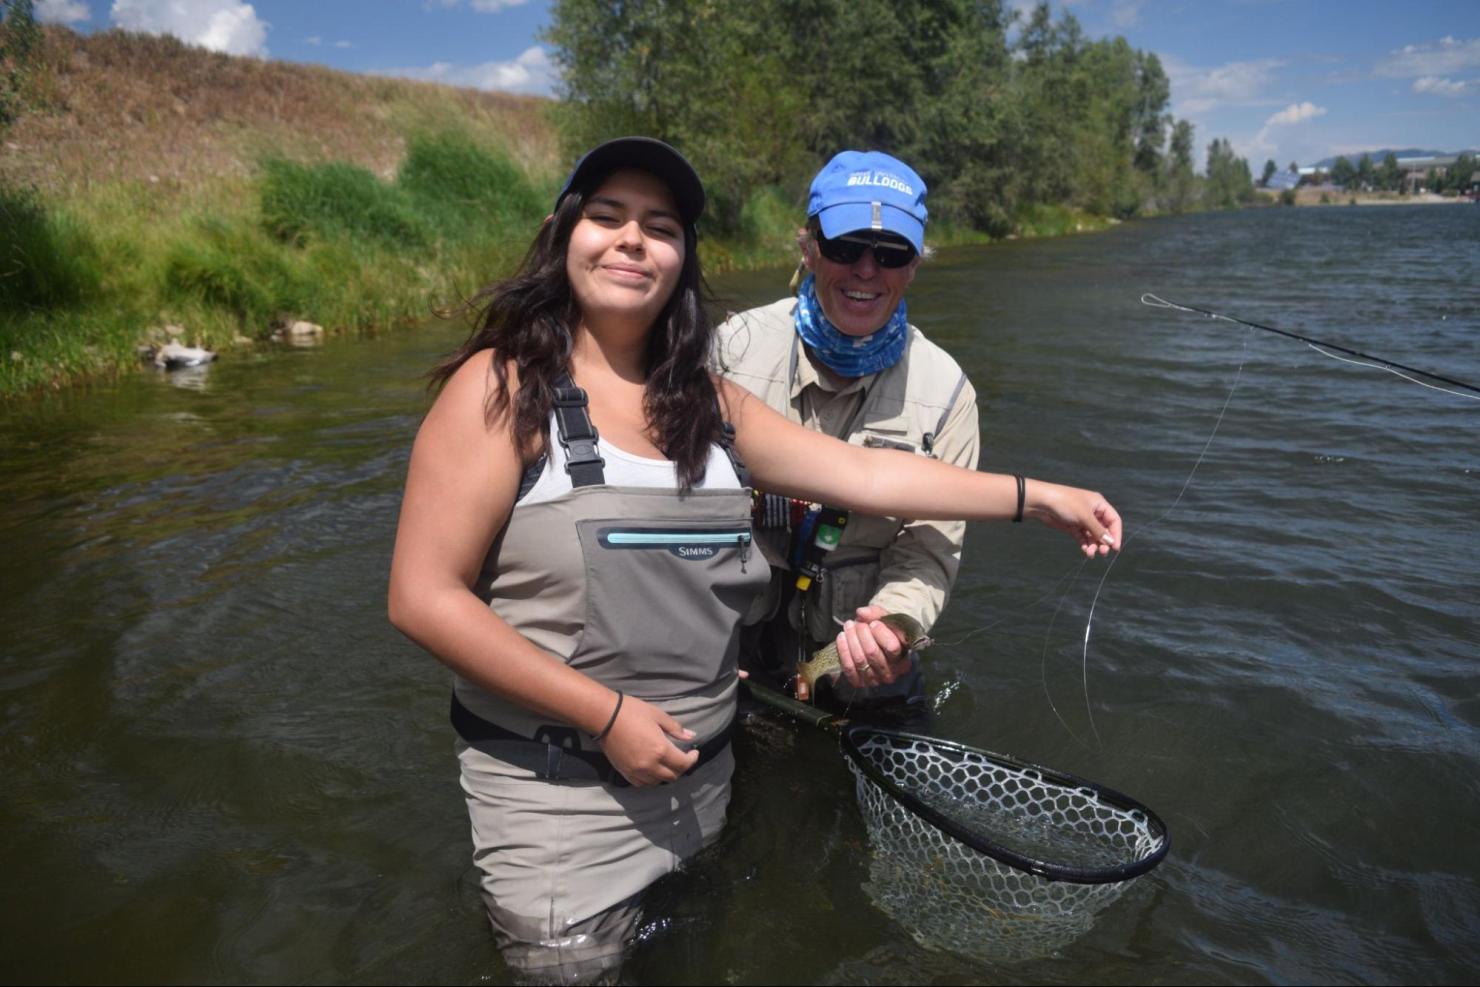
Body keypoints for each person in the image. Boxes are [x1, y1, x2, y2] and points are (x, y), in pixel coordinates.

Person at [387, 136, 1121, 983]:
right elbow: (420, 596)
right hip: (567, 798)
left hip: (702, 787)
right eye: (607, 216)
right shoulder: (503, 387)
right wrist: (605, 713)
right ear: (563, 234)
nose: (632, 240)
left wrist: (1043, 498)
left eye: (658, 226)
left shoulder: (700, 396)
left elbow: (871, 474)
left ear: (682, 256)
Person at [716, 150, 974, 709]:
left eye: (890, 253)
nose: (865, 269)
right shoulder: (729, 349)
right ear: (808, 249)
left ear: (913, 266)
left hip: (849, 654)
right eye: (844, 247)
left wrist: (892, 626)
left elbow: (928, 552)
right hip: (723, 641)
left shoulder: (949, 393)